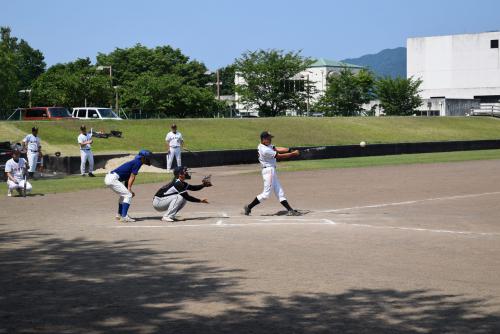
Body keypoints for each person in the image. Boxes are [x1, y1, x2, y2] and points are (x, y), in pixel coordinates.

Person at [243, 131, 301, 216]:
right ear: (263, 139)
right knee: (266, 194)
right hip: (268, 171)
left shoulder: (264, 145)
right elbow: (279, 156)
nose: (270, 139)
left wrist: (289, 149)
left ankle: (290, 210)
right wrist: (293, 154)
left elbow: (276, 148)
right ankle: (249, 207)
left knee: (279, 191)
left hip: (271, 171)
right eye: (268, 138)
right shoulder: (265, 150)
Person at [104, 150, 152, 222]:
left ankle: (119, 214)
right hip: (113, 179)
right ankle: (124, 216)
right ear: (143, 158)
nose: (149, 159)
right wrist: (129, 190)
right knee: (128, 195)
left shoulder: (136, 162)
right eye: (147, 157)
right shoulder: (138, 162)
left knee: (124, 195)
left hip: (110, 178)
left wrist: (129, 189)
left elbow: (128, 179)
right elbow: (132, 177)